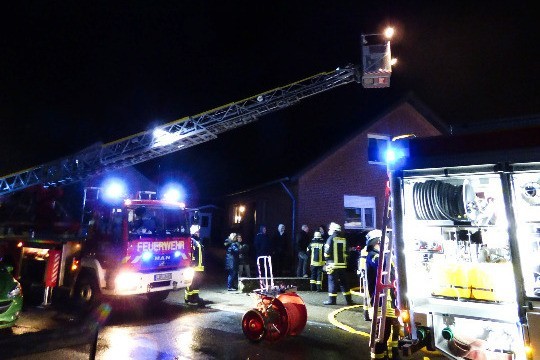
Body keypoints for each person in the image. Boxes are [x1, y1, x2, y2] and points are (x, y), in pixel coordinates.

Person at [365, 229, 401, 360]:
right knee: (381, 333)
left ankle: (391, 354)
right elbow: (385, 268)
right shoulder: (374, 256)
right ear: (378, 242)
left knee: (393, 328)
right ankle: (378, 357)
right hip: (381, 301)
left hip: (390, 299)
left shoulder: (381, 255)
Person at [323, 222, 356, 305]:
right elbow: (347, 253)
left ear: (333, 230)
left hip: (332, 265)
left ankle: (332, 300)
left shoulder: (331, 238)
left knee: (332, 282)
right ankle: (349, 300)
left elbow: (327, 252)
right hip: (342, 265)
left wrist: (327, 261)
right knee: (344, 283)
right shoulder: (344, 239)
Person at [185, 224, 204, 305]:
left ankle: (195, 296)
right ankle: (189, 298)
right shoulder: (191, 241)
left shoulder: (197, 241)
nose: (199, 233)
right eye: (197, 232)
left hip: (199, 266)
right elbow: (190, 253)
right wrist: (191, 263)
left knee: (197, 283)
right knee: (191, 283)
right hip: (193, 266)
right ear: (194, 232)